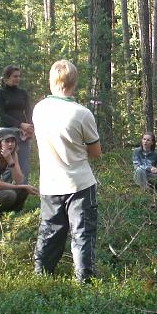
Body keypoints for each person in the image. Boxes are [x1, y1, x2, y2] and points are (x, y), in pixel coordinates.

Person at [32, 60, 102, 283]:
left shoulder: (39, 108)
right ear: (74, 82)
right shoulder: (82, 113)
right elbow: (95, 152)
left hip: (50, 183)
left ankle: (42, 276)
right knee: (82, 233)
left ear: (51, 81)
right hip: (79, 183)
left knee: (50, 231)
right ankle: (84, 280)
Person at [0, 65, 34, 182]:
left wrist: (29, 128)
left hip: (23, 133)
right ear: (6, 77)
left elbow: (28, 111)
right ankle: (5, 195)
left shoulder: (23, 92)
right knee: (7, 166)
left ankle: (22, 194)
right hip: (7, 132)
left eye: (19, 76)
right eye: (15, 76)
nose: (17, 78)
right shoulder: (0, 93)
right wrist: (20, 124)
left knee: (23, 167)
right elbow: (2, 114)